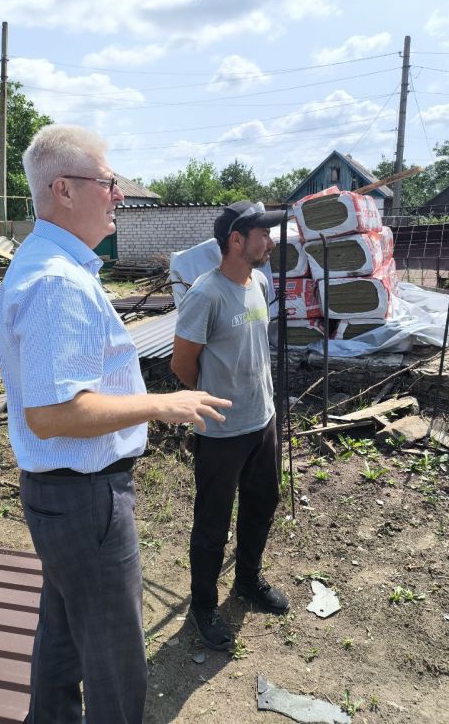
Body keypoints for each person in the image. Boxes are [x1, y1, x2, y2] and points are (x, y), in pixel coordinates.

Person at [0, 124, 231, 724]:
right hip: (85, 499)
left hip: (63, 498)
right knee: (115, 660)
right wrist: (162, 404)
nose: (119, 195)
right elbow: (53, 414)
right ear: (64, 190)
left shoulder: (51, 262)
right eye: (108, 182)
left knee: (66, 629)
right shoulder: (57, 284)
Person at [171, 200, 290, 652]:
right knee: (212, 523)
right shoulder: (206, 293)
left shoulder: (258, 281)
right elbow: (183, 366)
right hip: (220, 429)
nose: (271, 242)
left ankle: (247, 580)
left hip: (262, 420)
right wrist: (213, 399)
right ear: (236, 240)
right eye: (263, 234)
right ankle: (204, 606)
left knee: (263, 501)